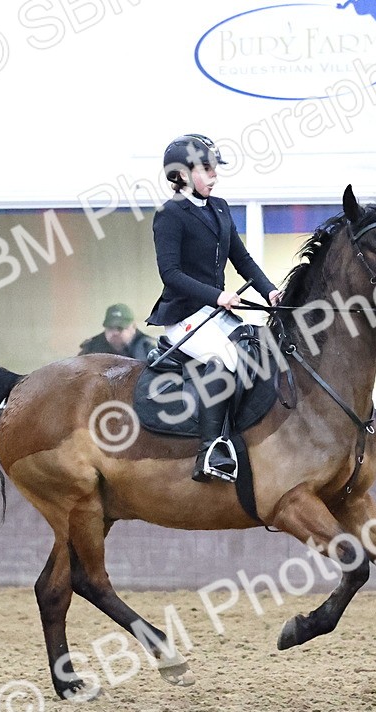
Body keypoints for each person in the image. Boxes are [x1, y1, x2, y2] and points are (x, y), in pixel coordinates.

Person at [147, 133, 284, 483]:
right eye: (206, 169)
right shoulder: (170, 215)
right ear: (181, 174)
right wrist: (216, 295)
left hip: (214, 314)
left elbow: (242, 259)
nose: (214, 176)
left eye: (213, 169)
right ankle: (210, 449)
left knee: (256, 349)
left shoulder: (220, 208)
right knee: (224, 359)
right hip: (184, 316)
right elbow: (170, 273)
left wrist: (270, 291)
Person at [78, 303, 157, 360]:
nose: (115, 333)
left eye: (120, 328)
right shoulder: (91, 349)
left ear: (133, 327)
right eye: (110, 328)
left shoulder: (149, 349)